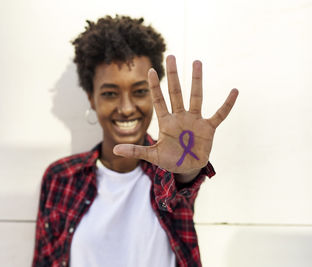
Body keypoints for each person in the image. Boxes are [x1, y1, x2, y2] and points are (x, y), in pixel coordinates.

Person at [32, 15, 238, 267]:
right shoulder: (61, 178)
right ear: (91, 98)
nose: (126, 108)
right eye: (110, 93)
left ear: (153, 94)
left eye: (140, 91)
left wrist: (188, 168)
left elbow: (182, 187)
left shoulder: (166, 173)